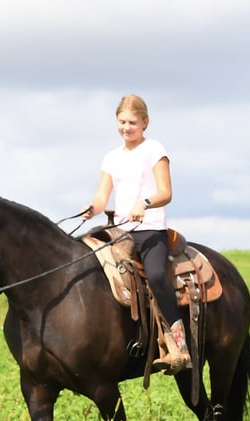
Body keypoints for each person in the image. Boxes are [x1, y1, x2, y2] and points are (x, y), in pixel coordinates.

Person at [83, 94, 191, 374]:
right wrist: (92, 208)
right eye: (122, 122)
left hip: (150, 229)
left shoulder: (154, 149)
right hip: (120, 231)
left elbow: (166, 192)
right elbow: (102, 196)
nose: (126, 127)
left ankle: (179, 344)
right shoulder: (111, 157)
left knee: (155, 275)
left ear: (145, 122)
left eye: (132, 122)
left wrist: (144, 204)